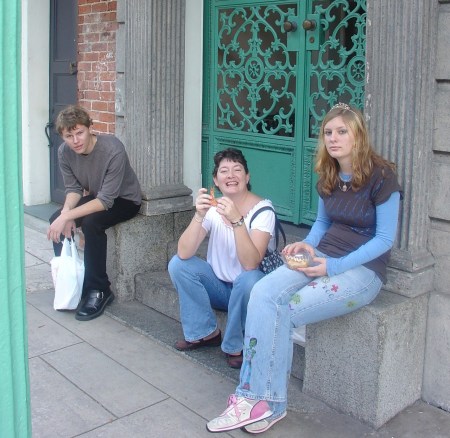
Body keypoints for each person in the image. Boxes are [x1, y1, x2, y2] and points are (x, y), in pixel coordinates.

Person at [206, 103, 403, 433]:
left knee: (283, 310)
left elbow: (384, 240)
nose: (334, 138)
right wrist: (307, 244)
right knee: (262, 291)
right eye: (328, 132)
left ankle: (261, 401)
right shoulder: (328, 173)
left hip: (363, 270)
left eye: (342, 131)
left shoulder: (381, 177)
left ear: (359, 135)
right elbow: (324, 223)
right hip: (323, 255)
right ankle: (259, 399)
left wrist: (333, 265)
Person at [168, 148, 277, 368]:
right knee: (178, 265)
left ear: (247, 177)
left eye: (237, 170)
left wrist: (238, 222)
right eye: (224, 171)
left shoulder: (263, 211)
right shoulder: (213, 208)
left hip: (249, 294)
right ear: (216, 181)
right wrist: (199, 215)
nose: (231, 176)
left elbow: (250, 263)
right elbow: (184, 252)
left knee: (249, 279)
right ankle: (205, 333)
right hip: (219, 288)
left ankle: (236, 344)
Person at [47, 105, 142, 321]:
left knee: (92, 223)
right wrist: (65, 213)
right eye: (69, 136)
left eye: (79, 132)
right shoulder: (65, 152)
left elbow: (106, 201)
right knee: (56, 220)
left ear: (91, 128)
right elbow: (73, 189)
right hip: (100, 196)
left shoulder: (113, 149)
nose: (75, 140)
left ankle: (99, 290)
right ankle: (71, 282)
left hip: (125, 199)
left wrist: (69, 215)